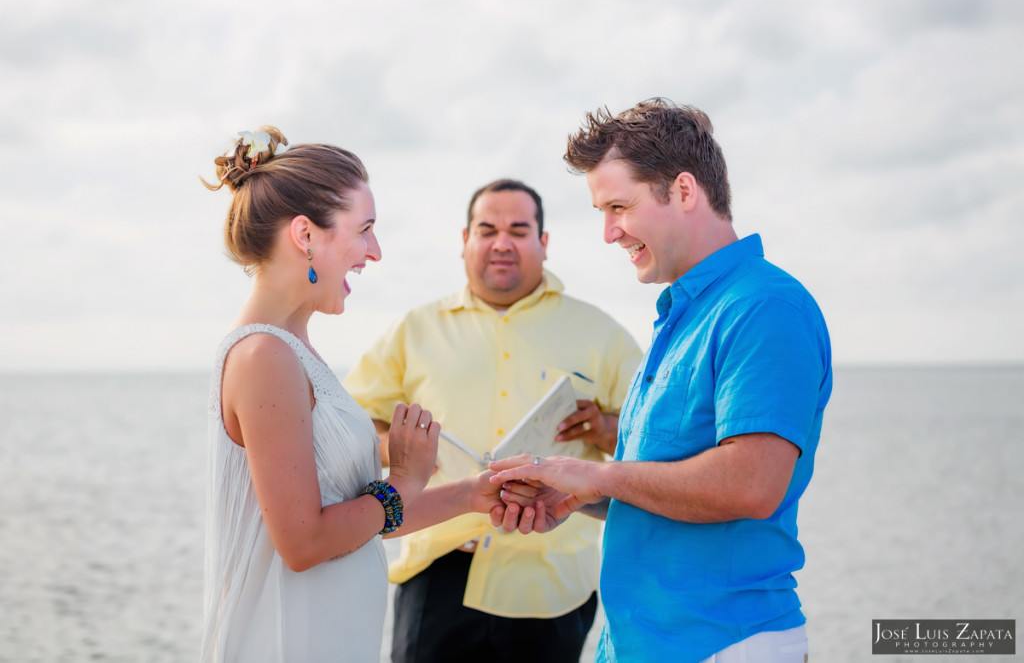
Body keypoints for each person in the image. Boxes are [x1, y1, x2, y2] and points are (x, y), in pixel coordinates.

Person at [490, 99, 833, 663]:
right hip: (638, 644)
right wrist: (579, 495)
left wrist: (593, 472)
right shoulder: (686, 313)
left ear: (683, 191)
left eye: (618, 206)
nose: (608, 232)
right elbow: (665, 486)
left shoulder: (765, 307)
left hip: (723, 641)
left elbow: (750, 485)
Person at [200, 128, 510, 662]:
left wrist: (469, 496)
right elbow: (304, 543)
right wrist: (407, 479)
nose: (375, 251)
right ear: (305, 235)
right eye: (364, 230)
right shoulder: (264, 357)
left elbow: (355, 520)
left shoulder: (294, 349)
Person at [344, 178, 642, 662]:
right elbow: (350, 423)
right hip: (439, 570)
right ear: (465, 241)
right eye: (487, 229)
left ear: (543, 244)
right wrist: (398, 450)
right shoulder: (414, 330)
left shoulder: (602, 334)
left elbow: (653, 443)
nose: (502, 242)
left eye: (519, 230)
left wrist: (605, 429)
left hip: (552, 581)